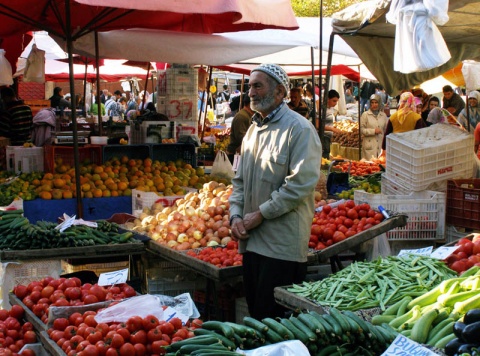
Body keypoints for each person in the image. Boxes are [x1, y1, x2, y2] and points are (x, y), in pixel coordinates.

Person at [228, 63, 321, 320]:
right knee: (257, 319)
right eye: (249, 87)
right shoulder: (253, 131)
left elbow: (300, 185)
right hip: (251, 244)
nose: (251, 93)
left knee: (277, 325)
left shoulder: (299, 129)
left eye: (258, 86)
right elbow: (239, 182)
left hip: (282, 248)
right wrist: (235, 215)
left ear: (280, 92)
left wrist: (260, 214)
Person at [226, 95, 254, 164]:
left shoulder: (248, 115)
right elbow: (242, 138)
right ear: (250, 104)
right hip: (236, 155)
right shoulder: (242, 117)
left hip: (242, 154)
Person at [360, 94, 388, 160]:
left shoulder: (383, 115)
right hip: (369, 146)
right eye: (372, 103)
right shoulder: (365, 115)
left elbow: (385, 130)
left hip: (380, 145)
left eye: (376, 102)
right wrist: (373, 131)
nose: (374, 105)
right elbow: (362, 129)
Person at [322, 89, 343, 159]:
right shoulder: (322, 109)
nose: (335, 103)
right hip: (323, 138)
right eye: (334, 101)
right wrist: (332, 129)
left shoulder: (330, 109)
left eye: (336, 101)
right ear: (328, 99)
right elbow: (318, 125)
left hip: (327, 138)